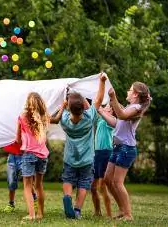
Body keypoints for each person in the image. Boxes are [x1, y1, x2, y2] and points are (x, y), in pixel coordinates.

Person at [50, 73, 107, 219]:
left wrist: (64, 104)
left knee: (68, 179)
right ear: (83, 107)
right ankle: (77, 210)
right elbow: (99, 100)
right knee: (83, 184)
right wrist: (101, 81)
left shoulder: (64, 120)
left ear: (68, 107)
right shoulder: (89, 119)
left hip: (70, 158)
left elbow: (56, 116)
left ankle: (67, 196)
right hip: (87, 160)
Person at [99, 82, 151, 221]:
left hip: (126, 149)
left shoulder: (136, 107)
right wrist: (101, 112)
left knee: (117, 182)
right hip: (117, 148)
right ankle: (122, 210)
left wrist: (113, 97)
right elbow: (116, 123)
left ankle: (128, 214)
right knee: (108, 180)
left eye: (130, 89)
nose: (128, 91)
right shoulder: (130, 107)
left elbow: (121, 115)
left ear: (135, 94)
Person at [16, 92, 50, 221]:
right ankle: (40, 213)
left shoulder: (22, 117)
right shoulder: (44, 117)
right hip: (43, 155)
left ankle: (31, 215)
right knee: (39, 185)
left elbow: (18, 139)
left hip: (29, 154)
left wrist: (24, 140)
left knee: (27, 186)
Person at [91, 104, 114, 217]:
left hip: (106, 153)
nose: (104, 107)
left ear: (112, 111)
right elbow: (93, 108)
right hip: (97, 154)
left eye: (108, 107)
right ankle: (97, 212)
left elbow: (100, 111)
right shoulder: (100, 120)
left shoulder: (111, 121)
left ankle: (109, 214)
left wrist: (101, 110)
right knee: (93, 187)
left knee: (102, 186)